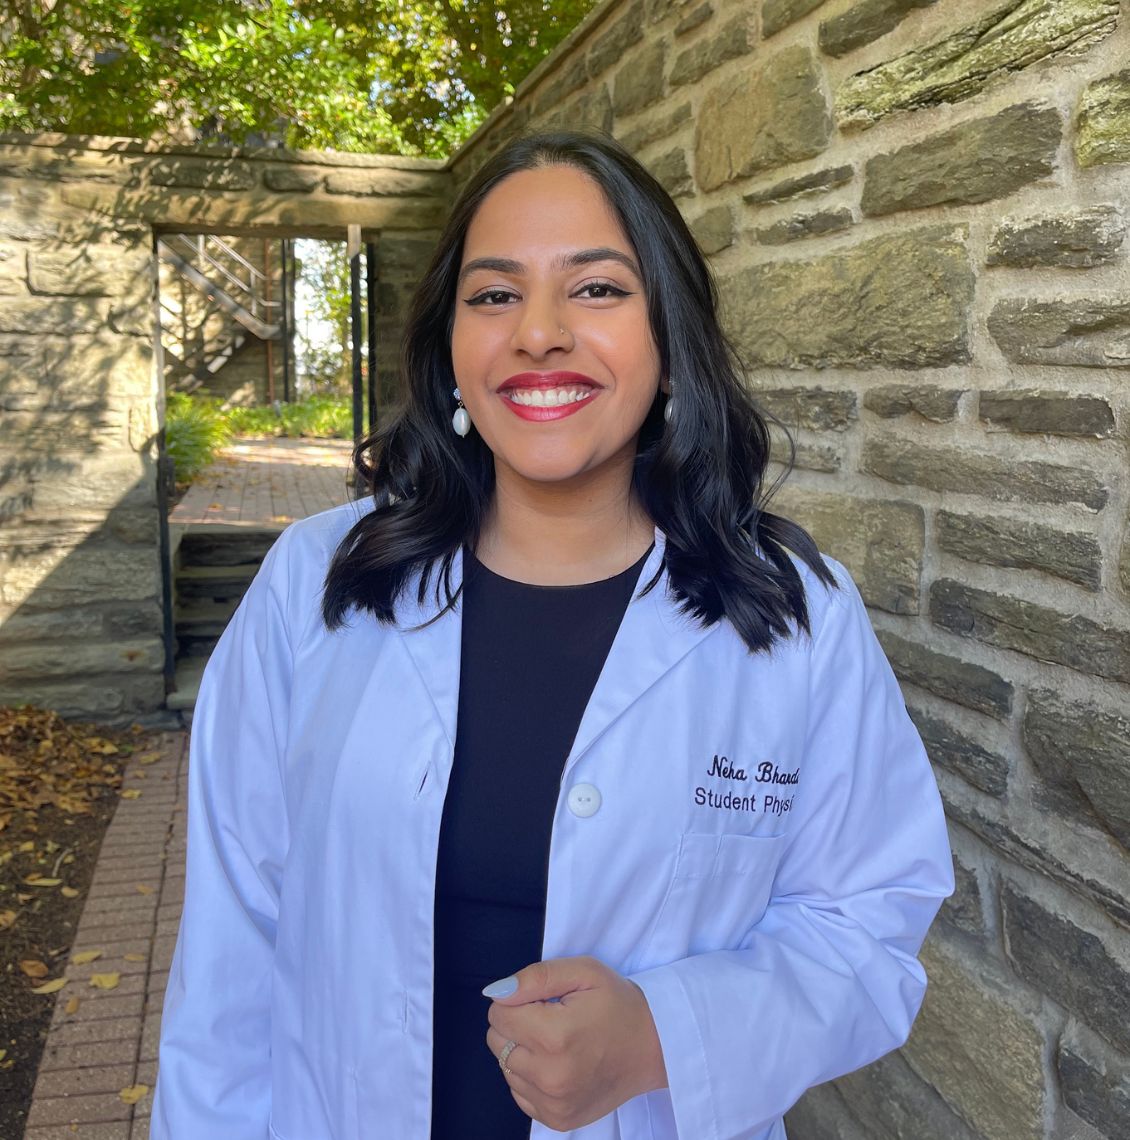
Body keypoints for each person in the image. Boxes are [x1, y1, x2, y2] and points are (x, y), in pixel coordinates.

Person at [151, 131, 953, 1140]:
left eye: (596, 290)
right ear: (449, 349)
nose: (537, 333)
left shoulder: (793, 616)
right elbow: (230, 948)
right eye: (493, 295)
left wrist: (664, 1035)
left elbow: (867, 922)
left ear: (670, 342)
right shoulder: (316, 587)